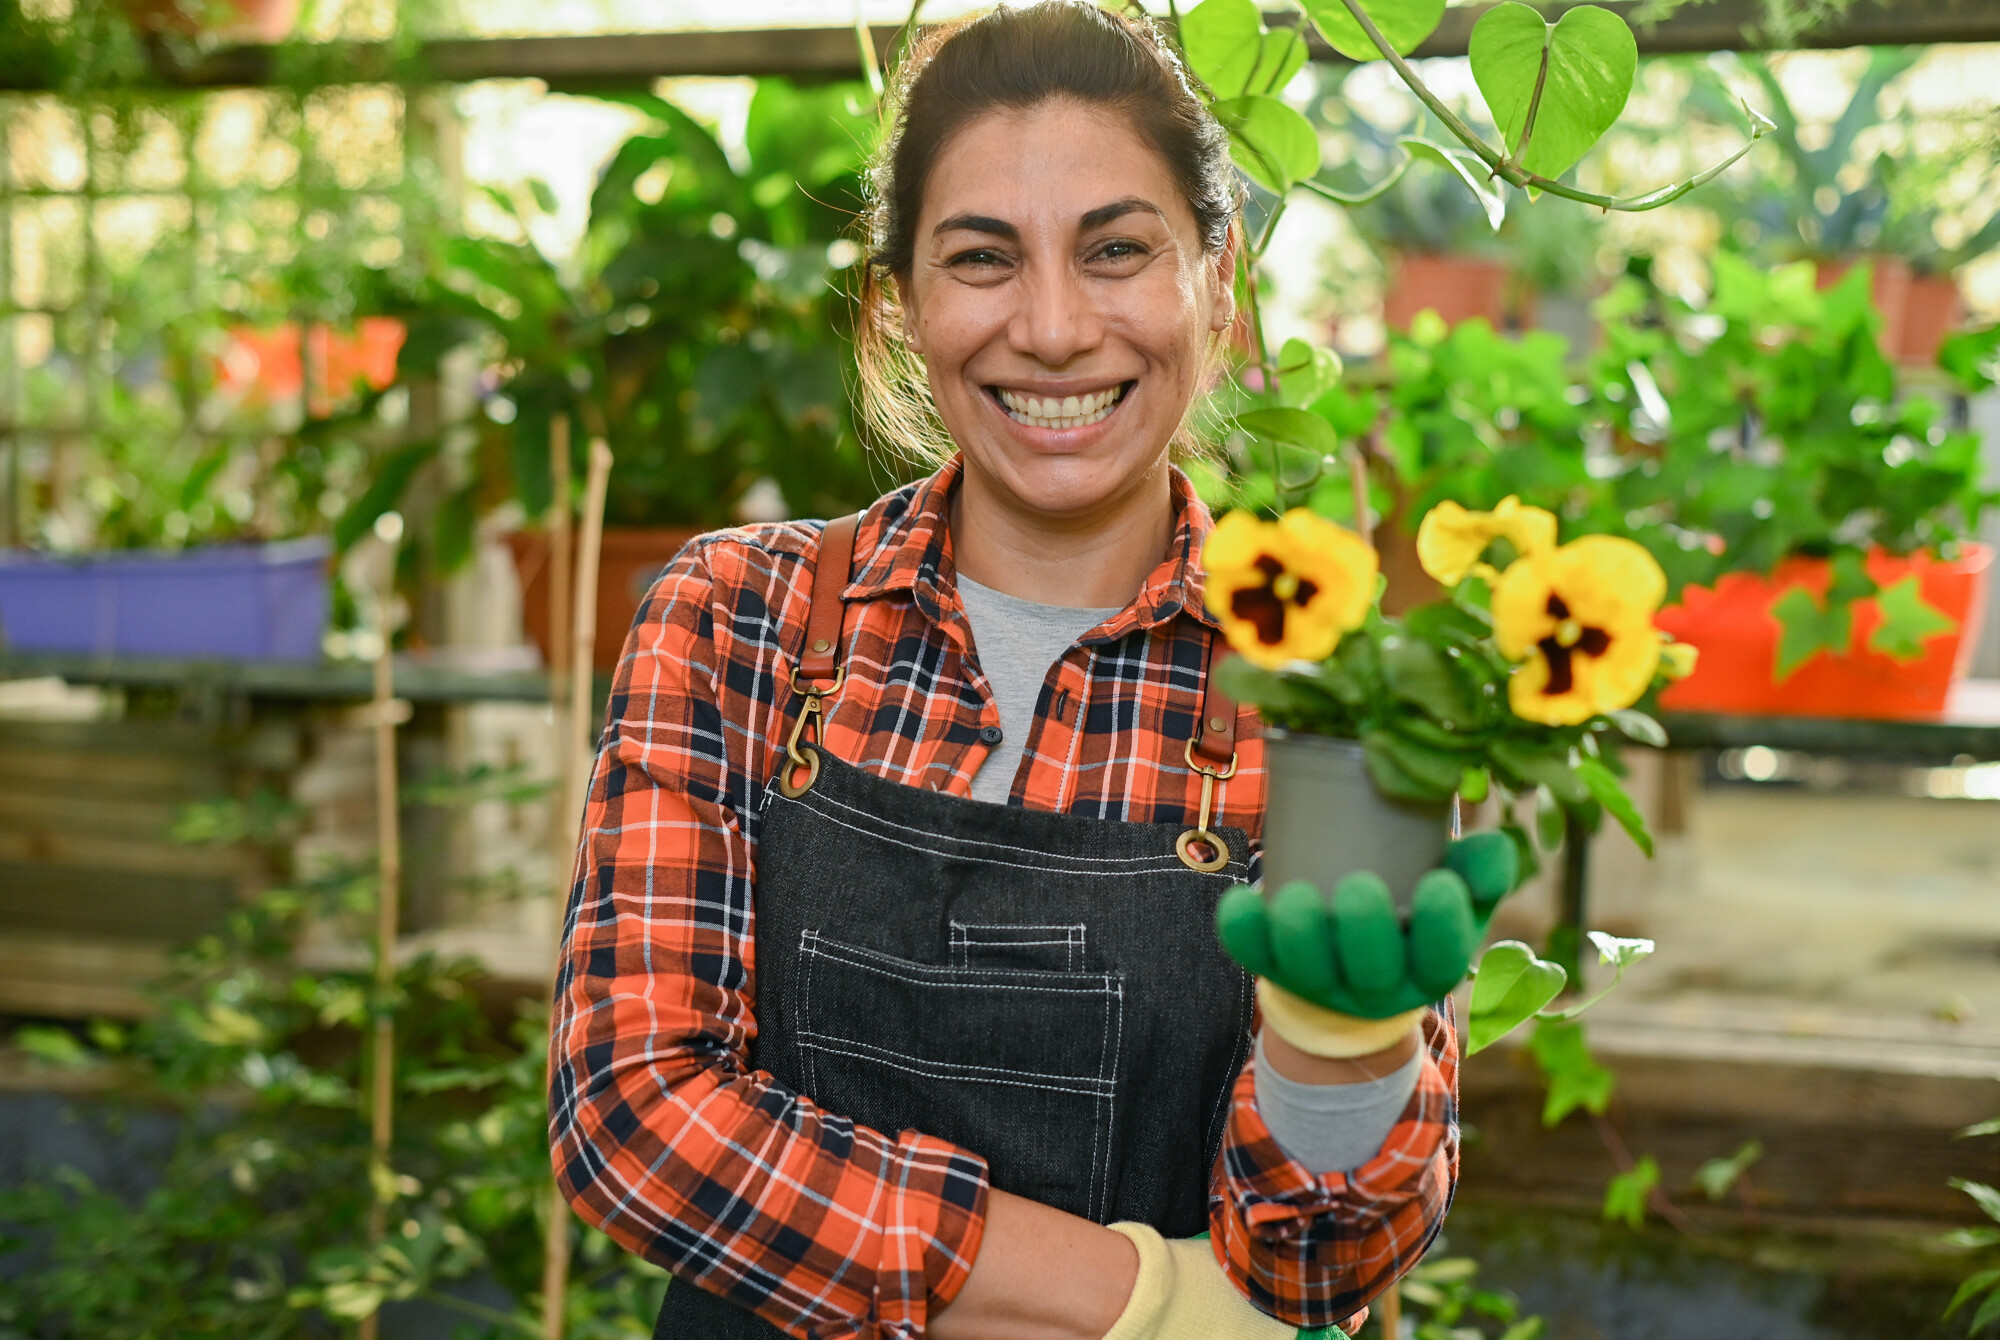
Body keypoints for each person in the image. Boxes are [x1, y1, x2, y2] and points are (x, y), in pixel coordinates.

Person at [550, 5, 1509, 1337]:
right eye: (984, 259)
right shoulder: (741, 624)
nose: (1054, 329)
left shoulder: (1333, 693)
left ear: (1217, 288)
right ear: (900, 308)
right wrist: (1140, 1304)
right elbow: (634, 1115)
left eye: (1116, 251)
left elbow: (1318, 1269)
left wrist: (1339, 1057)